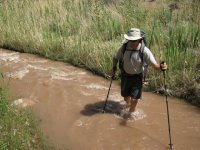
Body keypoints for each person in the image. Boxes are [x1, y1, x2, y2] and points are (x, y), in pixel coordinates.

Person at [112, 28, 167, 119]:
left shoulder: (144, 51)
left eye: (135, 41)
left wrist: (162, 67)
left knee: (134, 99)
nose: (132, 42)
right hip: (125, 76)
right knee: (126, 98)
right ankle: (128, 105)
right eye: (130, 40)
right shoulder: (124, 47)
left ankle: (130, 113)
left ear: (140, 40)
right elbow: (115, 58)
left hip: (137, 78)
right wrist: (114, 67)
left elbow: (155, 66)